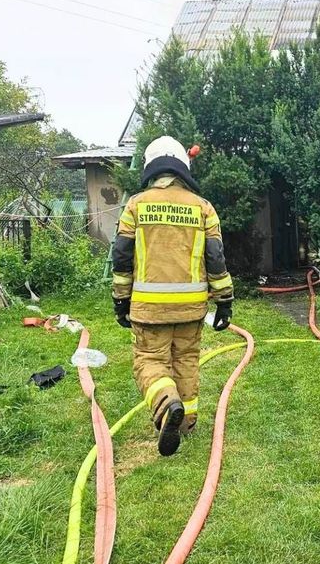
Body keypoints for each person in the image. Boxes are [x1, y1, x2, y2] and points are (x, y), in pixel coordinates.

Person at [111, 135, 233, 456]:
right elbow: (216, 259)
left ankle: (167, 405)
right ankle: (186, 421)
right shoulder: (203, 208)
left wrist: (121, 299)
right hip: (192, 309)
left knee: (149, 361)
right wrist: (225, 301)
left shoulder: (136, 205)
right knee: (186, 360)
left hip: (149, 309)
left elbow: (122, 258)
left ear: (152, 167)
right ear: (184, 167)